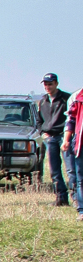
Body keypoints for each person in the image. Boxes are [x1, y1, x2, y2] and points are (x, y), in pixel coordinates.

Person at [36, 73, 73, 207]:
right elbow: (39, 121)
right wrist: (42, 133)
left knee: (70, 169)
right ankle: (61, 198)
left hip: (64, 137)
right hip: (50, 138)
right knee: (54, 170)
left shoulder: (66, 99)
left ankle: (76, 198)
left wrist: (69, 135)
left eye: (50, 84)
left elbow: (72, 118)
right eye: (45, 84)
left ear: (56, 84)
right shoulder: (43, 101)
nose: (47, 87)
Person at [63, 89, 83, 221]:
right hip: (81, 143)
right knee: (81, 178)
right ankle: (82, 210)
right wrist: (66, 140)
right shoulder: (78, 97)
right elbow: (70, 120)